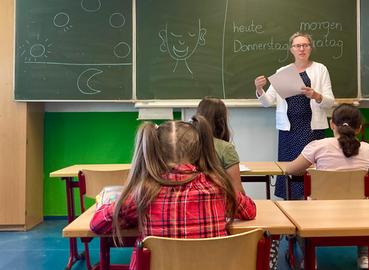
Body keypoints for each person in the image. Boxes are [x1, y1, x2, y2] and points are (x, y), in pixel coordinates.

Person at [90, 116, 257, 269]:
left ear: (155, 150)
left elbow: (97, 225)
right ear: (199, 150)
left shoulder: (144, 194)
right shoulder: (219, 186)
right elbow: (250, 211)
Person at [286, 103, 369, 270]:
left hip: (321, 212)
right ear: (359, 128)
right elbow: (368, 170)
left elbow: (290, 170)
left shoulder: (318, 146)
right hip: (358, 213)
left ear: (331, 124)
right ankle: (363, 256)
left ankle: (309, 257)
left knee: (295, 209)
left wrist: (314, 168)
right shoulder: (367, 150)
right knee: (368, 205)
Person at [254, 32, 335, 200]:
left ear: (310, 48)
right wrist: (259, 89)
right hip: (289, 130)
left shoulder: (320, 69)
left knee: (312, 171)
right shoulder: (283, 71)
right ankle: (291, 207)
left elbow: (330, 101)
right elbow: (267, 101)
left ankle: (312, 207)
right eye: (298, 46)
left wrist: (316, 95)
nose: (302, 49)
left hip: (312, 128)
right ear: (291, 49)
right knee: (289, 170)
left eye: (305, 45)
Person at [196, 96, 245, 194]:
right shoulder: (226, 149)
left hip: (191, 203)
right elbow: (237, 192)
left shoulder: (187, 144)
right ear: (222, 121)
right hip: (218, 204)